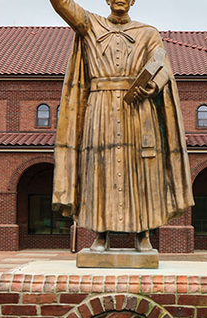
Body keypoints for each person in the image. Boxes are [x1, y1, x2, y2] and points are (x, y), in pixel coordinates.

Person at [51, 0, 194, 252]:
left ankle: (143, 234)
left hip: (138, 109)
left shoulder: (148, 32)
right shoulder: (90, 25)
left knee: (142, 170)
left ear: (133, 1)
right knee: (99, 169)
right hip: (100, 109)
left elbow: (163, 68)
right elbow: (61, 4)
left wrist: (154, 84)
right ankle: (101, 234)